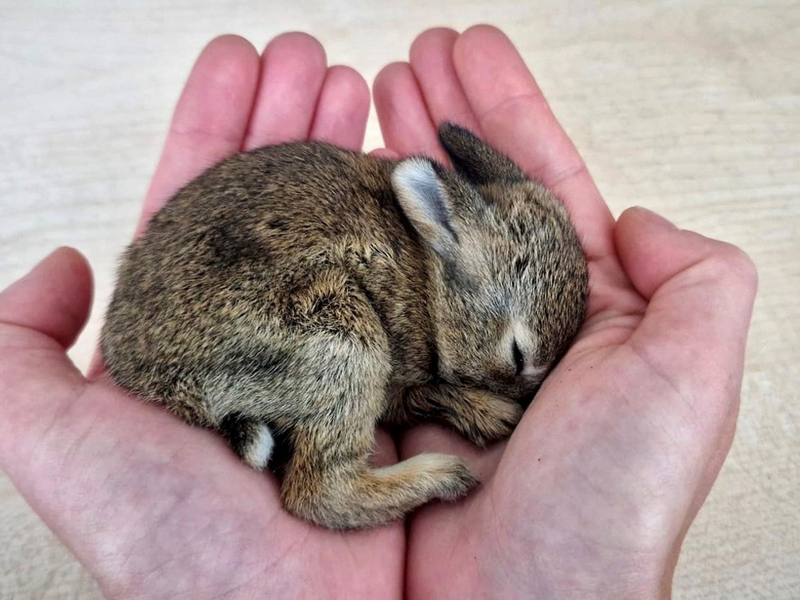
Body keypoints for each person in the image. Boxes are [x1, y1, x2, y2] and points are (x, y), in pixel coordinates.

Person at [0, 25, 756, 598]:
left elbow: (391, 384)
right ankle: (328, 485)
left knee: (355, 348)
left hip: (220, 324)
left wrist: (442, 398)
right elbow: (364, 361)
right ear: (442, 229)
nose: (524, 388)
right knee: (341, 337)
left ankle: (263, 424)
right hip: (226, 321)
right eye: (517, 359)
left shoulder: (428, 304)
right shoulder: (407, 274)